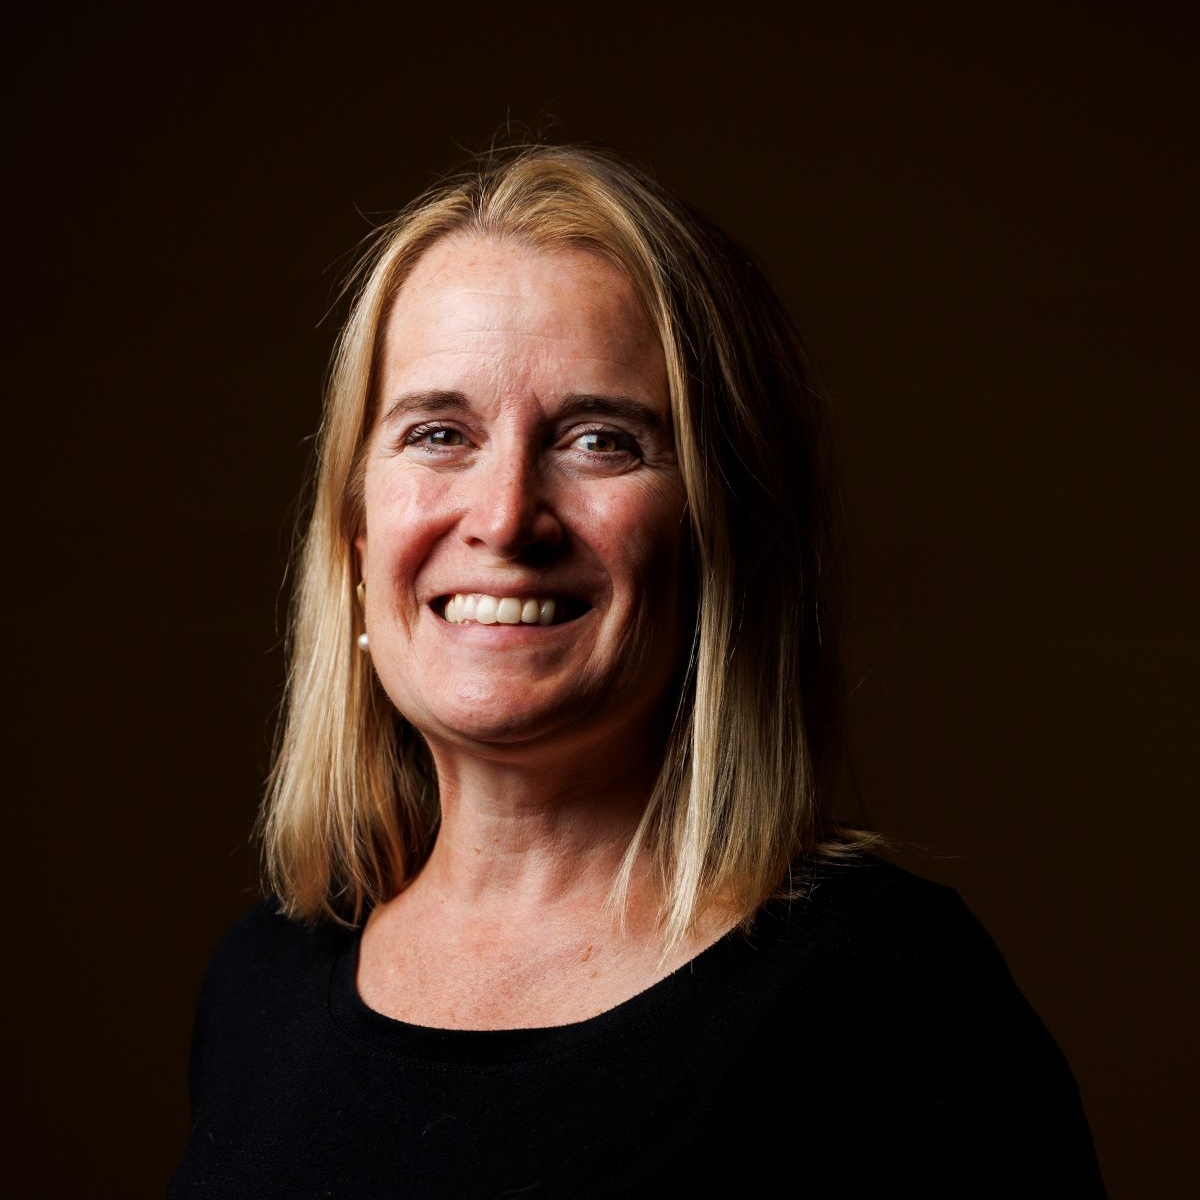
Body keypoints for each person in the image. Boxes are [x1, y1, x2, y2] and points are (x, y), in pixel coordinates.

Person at [169, 142, 1105, 1197]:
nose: (505, 517)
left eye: (600, 441)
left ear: (721, 531)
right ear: (354, 534)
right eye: (438, 433)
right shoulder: (260, 984)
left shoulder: (891, 996)